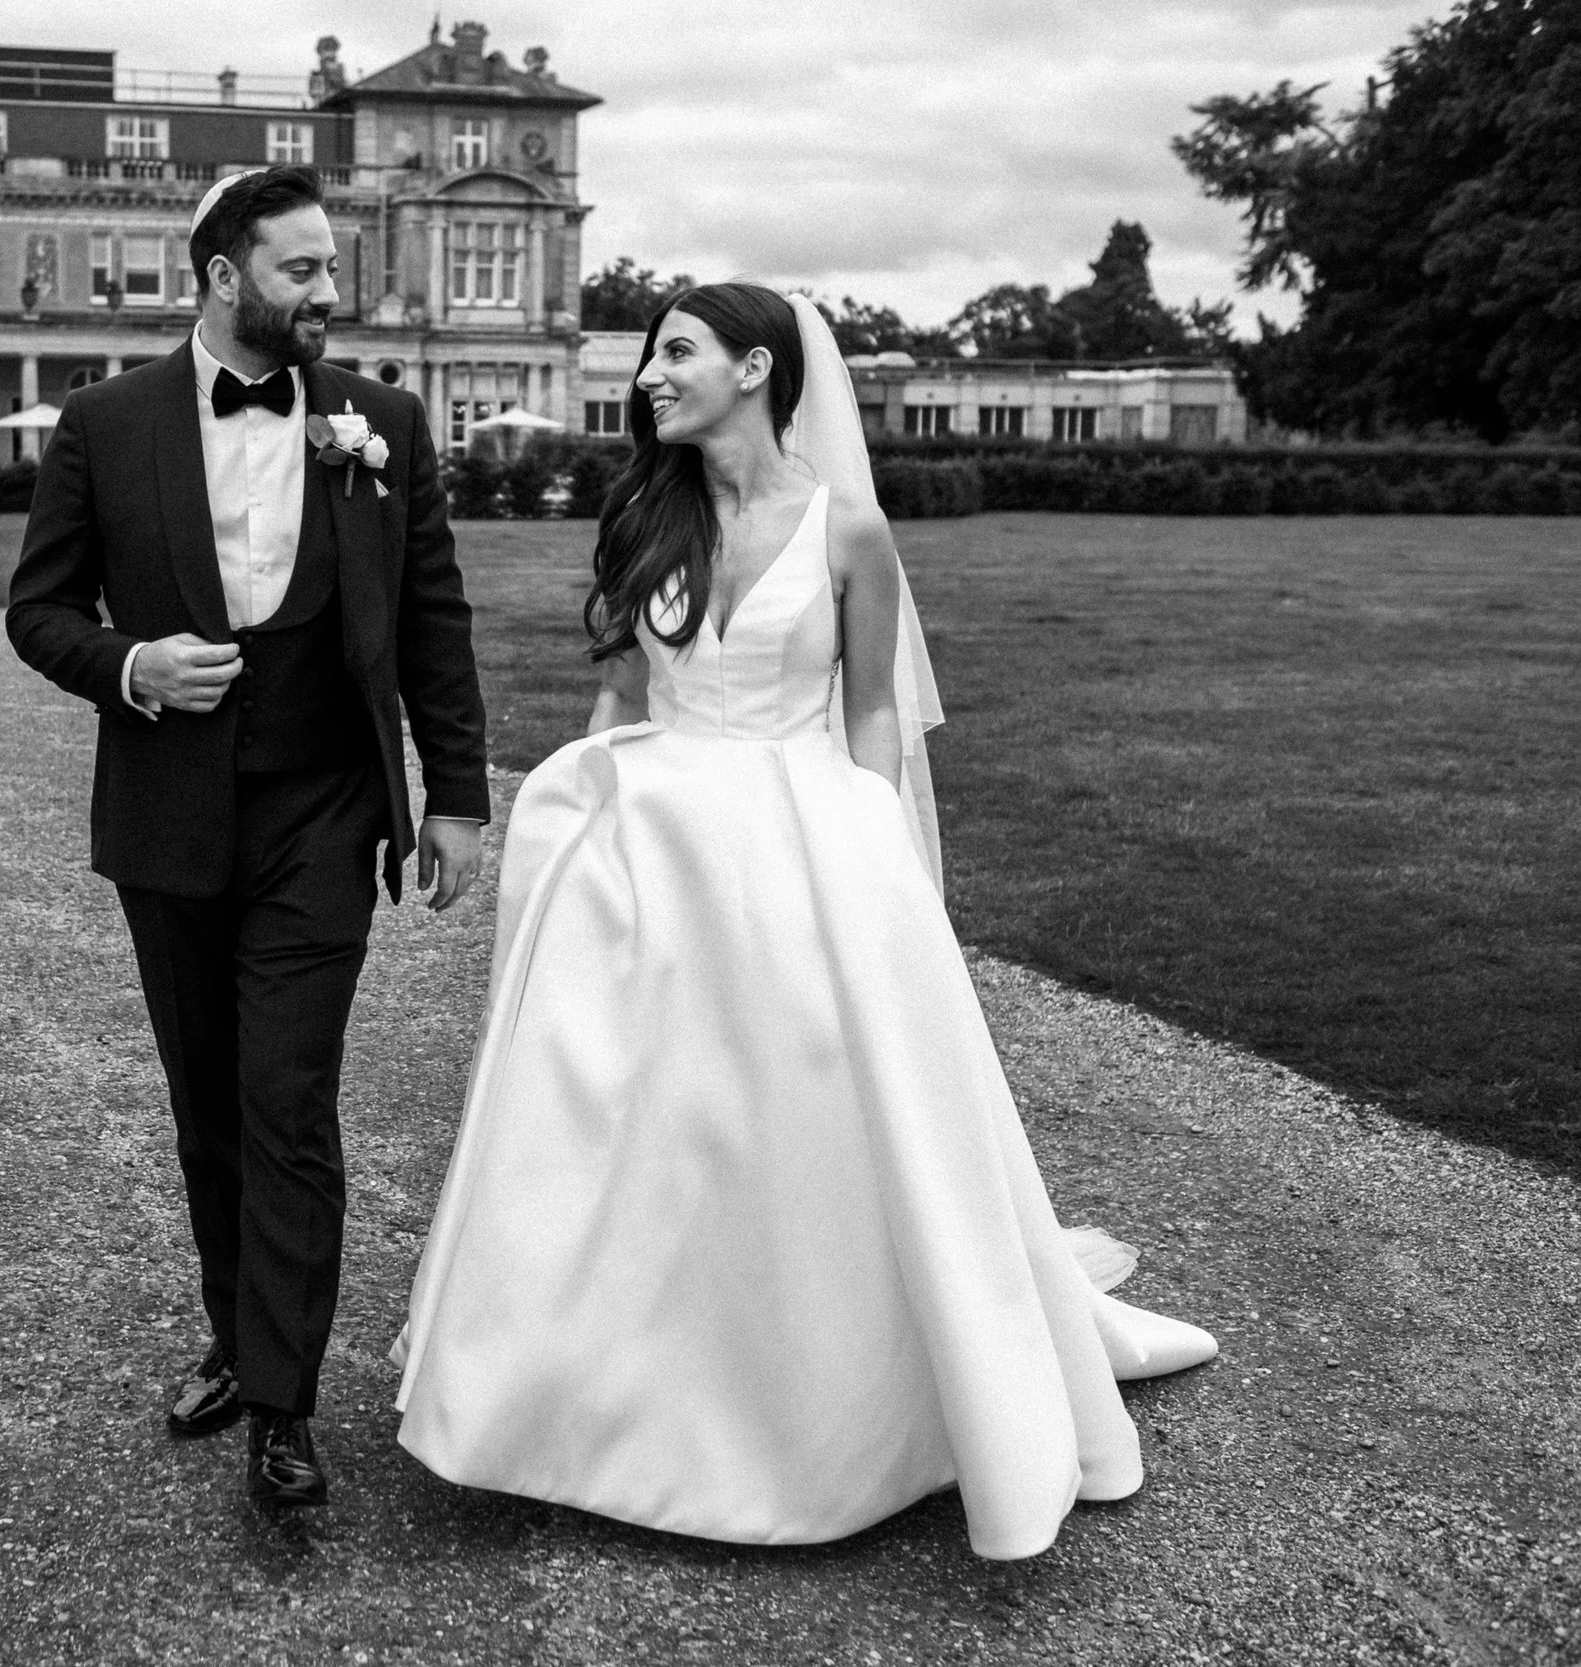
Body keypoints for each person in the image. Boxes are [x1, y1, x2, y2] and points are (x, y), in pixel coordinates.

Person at [388, 282, 1217, 1560]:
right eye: (653, 356)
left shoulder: (850, 534)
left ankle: (816, 1409)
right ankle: (577, 1392)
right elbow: (618, 698)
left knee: (795, 1114)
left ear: (756, 367)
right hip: (650, 845)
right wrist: (582, 825)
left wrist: (876, 845)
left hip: (798, 839)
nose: (650, 376)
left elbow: (875, 710)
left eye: (677, 353)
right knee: (614, 1115)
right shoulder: (640, 516)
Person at [6, 166, 489, 1509]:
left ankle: (282, 1398)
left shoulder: (382, 421)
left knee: (286, 1100)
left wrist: (453, 796)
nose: (329, 292)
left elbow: (432, 617)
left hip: (326, 811)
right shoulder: (108, 423)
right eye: (300, 271)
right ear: (222, 277)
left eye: (330, 267)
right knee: (209, 1103)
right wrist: (132, 664)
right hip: (170, 812)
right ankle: (235, 1327)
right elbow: (37, 609)